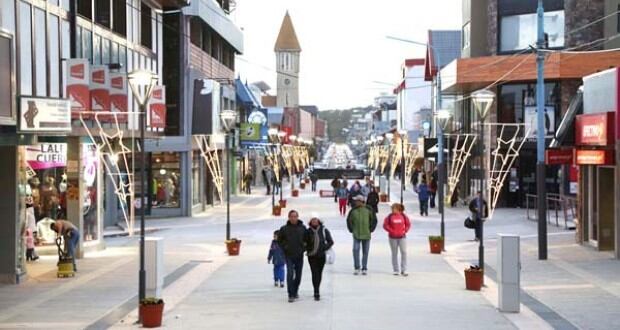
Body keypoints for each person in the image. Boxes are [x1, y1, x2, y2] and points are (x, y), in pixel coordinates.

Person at [277, 210, 307, 303]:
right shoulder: (284, 229)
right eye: (291, 216)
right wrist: (285, 247)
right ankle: (290, 294)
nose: (293, 218)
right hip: (289, 255)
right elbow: (279, 240)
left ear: (298, 217)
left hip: (299, 255)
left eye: (295, 216)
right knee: (290, 274)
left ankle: (295, 290)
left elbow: (308, 239)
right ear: (289, 217)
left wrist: (304, 248)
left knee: (298, 276)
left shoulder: (302, 228)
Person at [346, 195, 378, 275]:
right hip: (356, 234)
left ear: (361, 201)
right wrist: (352, 229)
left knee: (365, 251)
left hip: (366, 234)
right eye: (355, 201)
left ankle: (364, 267)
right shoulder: (353, 211)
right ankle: (357, 267)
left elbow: (373, 220)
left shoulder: (368, 210)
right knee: (355, 250)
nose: (356, 202)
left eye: (357, 201)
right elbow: (349, 221)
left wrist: (370, 229)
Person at [305, 217, 334, 301]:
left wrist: (324, 247)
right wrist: (308, 248)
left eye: (316, 220)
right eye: (312, 220)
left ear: (319, 221)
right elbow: (304, 242)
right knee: (314, 273)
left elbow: (331, 241)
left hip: (321, 256)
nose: (314, 222)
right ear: (310, 222)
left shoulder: (324, 230)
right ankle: (316, 291)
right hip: (312, 256)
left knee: (319, 273)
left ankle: (317, 287)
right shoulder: (308, 231)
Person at [383, 203, 411, 276]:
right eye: (392, 209)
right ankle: (396, 269)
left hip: (402, 237)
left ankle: (403, 269)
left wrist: (405, 230)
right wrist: (391, 230)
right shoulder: (389, 217)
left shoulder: (403, 216)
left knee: (404, 252)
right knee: (394, 253)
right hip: (392, 237)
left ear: (398, 209)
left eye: (394, 208)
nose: (392, 210)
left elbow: (408, 224)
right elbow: (385, 225)